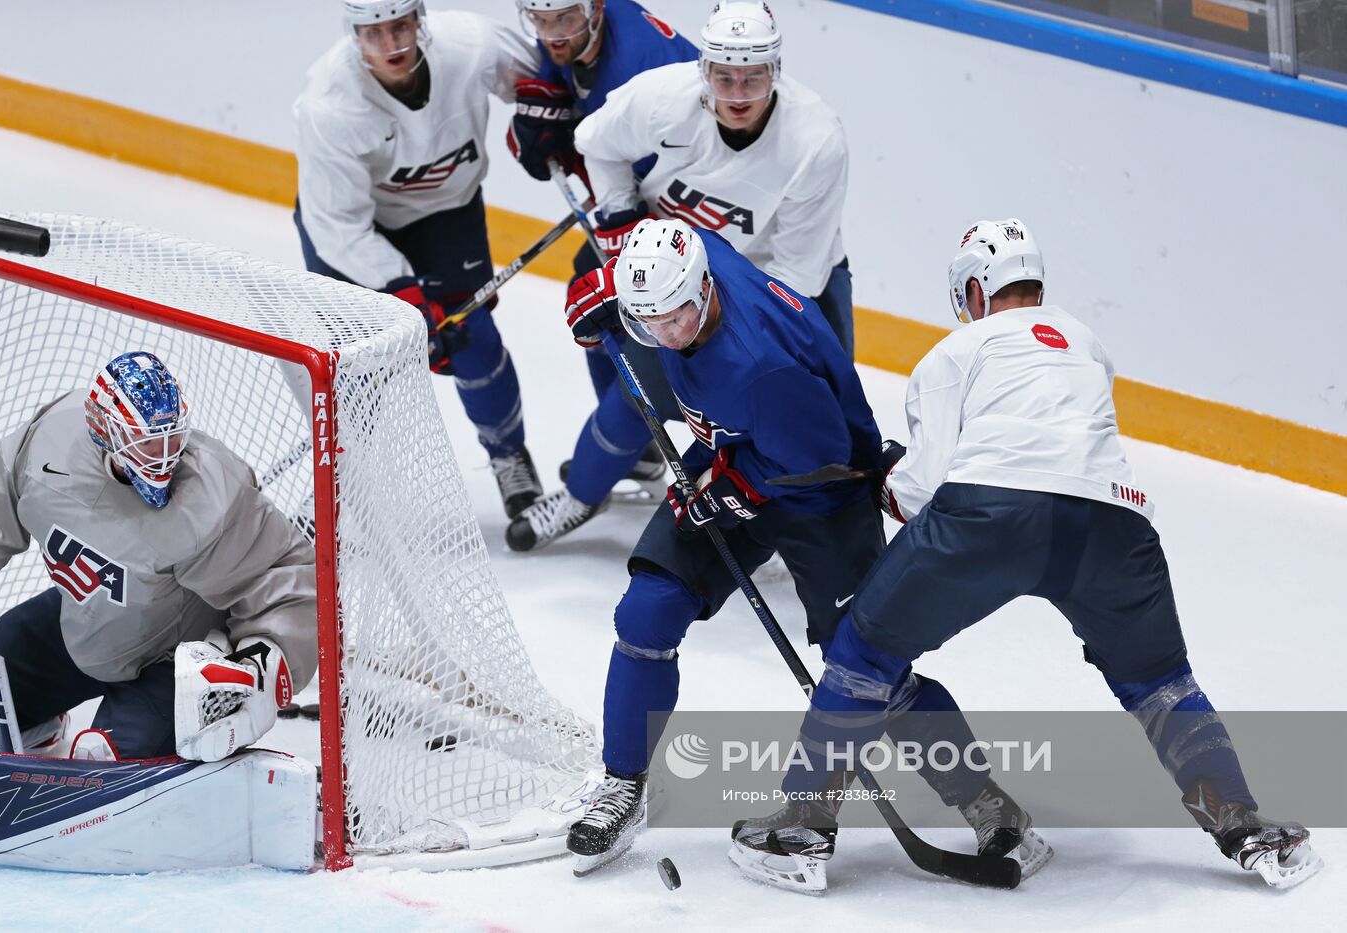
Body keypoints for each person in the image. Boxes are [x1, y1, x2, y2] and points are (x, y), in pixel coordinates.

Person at [739, 219, 1322, 891]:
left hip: (991, 517)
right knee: (1163, 684)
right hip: (1115, 525)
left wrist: (891, 486)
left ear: (977, 292)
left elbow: (925, 487)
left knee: (862, 654)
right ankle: (1249, 828)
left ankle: (800, 830)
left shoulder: (955, 352)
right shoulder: (1087, 342)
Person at [558, 219, 1043, 882]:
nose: (666, 335)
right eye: (650, 321)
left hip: (822, 493)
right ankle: (622, 782)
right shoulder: (690, 261)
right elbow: (642, 242)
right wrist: (603, 290)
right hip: (736, 449)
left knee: (870, 673)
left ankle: (993, 809)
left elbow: (822, 457)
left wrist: (733, 489)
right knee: (646, 613)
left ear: (703, 288)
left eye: (675, 318)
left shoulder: (763, 363)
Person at [509, 0, 855, 551]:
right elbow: (594, 142)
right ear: (704, 71)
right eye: (724, 76)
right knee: (639, 393)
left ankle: (797, 531)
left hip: (772, 282)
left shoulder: (815, 139)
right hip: (675, 272)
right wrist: (622, 222)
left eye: (754, 76)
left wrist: (723, 336)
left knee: (813, 408)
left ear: (777, 70)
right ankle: (581, 494)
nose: (738, 94)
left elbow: (794, 278)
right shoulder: (662, 98)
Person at [0, 351, 316, 763]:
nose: (164, 454)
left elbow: (285, 576)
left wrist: (262, 664)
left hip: (171, 659)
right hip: (88, 620)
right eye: (146, 441)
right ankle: (40, 730)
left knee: (101, 761)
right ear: (104, 430)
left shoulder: (208, 497)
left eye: (170, 436)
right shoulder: (50, 442)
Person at [293, 0, 544, 519]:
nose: (392, 44)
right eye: (375, 32)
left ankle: (509, 456)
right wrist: (401, 290)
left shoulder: (470, 45)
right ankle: (340, 483)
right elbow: (338, 227)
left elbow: (544, 80)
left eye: (401, 25)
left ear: (420, 20)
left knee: (472, 342)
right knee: (355, 364)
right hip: (353, 235)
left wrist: (548, 119)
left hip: (447, 213)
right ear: (354, 34)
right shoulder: (329, 104)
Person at [502, 0, 696, 550]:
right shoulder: (573, 30)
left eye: (562, 19)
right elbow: (573, 98)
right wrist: (548, 109)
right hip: (641, 207)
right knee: (593, 304)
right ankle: (633, 455)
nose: (551, 34)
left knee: (641, 355)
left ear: (594, 8)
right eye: (539, 21)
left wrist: (625, 224)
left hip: (686, 226)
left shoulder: (642, 61)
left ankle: (588, 487)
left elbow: (693, 166)